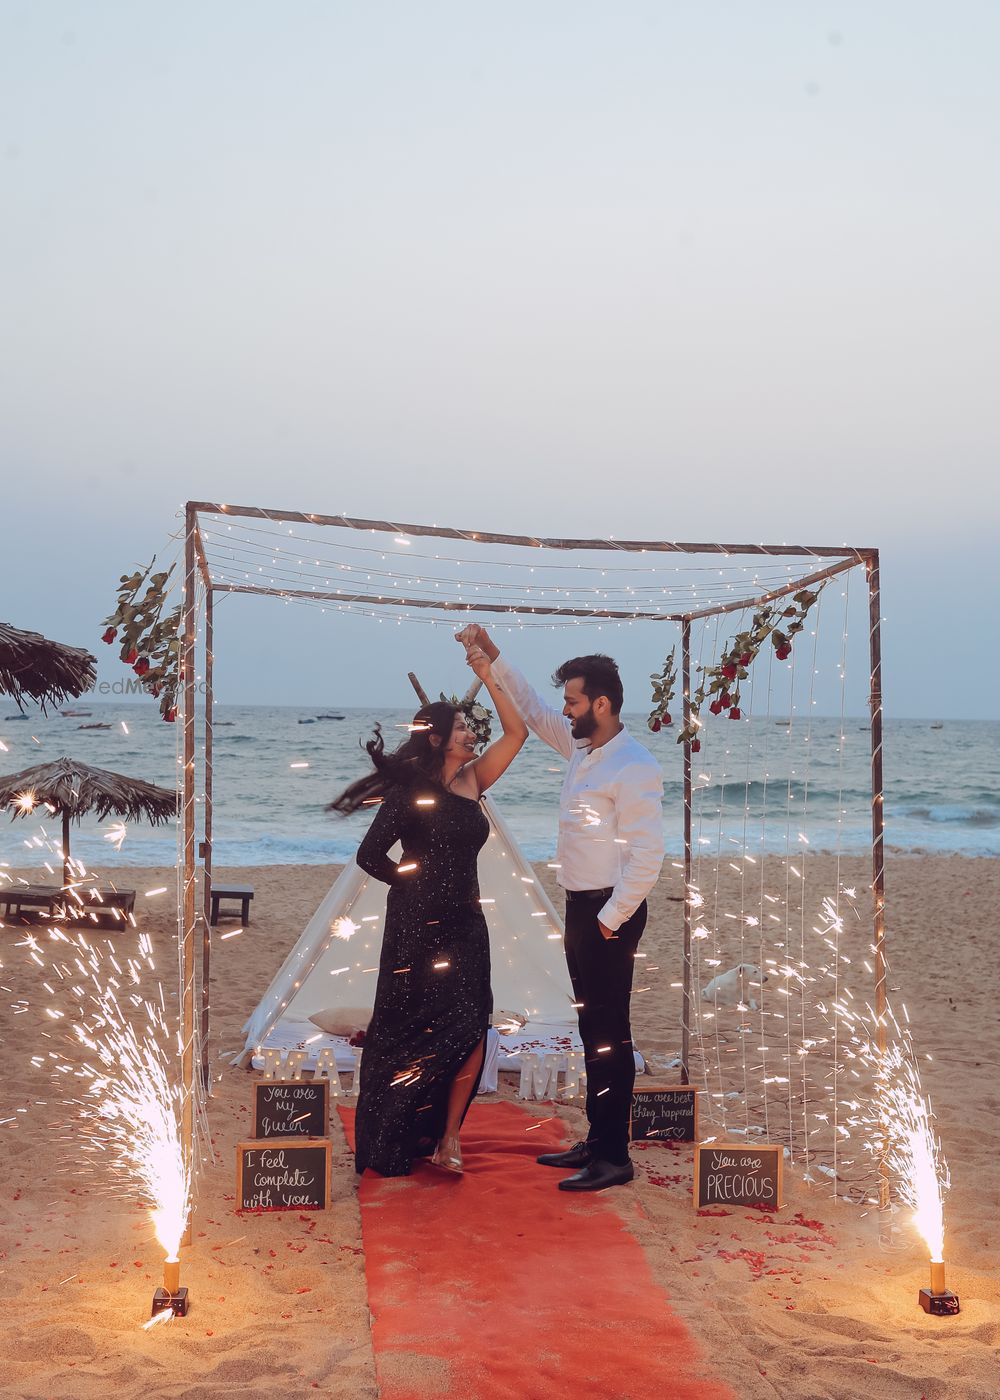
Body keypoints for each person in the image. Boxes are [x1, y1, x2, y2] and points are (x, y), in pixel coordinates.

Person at [456, 624, 664, 1192]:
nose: (567, 710)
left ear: (601, 703)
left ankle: (614, 1157)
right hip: (582, 909)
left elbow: (648, 859)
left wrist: (605, 922)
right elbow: (532, 705)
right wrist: (493, 661)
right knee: (588, 1028)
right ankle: (596, 1141)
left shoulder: (635, 766)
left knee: (610, 1035)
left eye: (575, 700)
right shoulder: (580, 745)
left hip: (609, 917)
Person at [328, 643, 527, 1178]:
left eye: (469, 725)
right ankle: (398, 1129)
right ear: (438, 739)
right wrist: (411, 885)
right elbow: (370, 855)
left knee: (469, 1024)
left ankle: (450, 1136)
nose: (471, 732)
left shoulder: (473, 781)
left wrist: (487, 675)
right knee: (408, 1028)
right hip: (415, 927)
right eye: (461, 727)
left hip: (467, 923)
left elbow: (518, 734)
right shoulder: (408, 791)